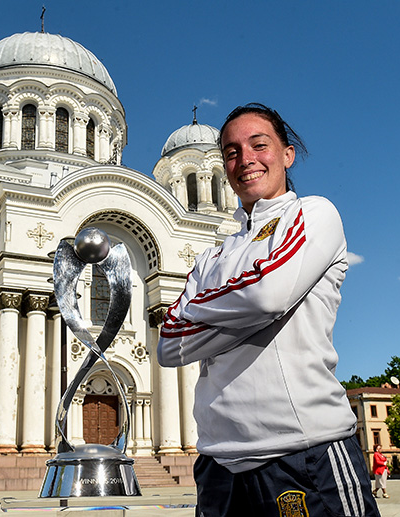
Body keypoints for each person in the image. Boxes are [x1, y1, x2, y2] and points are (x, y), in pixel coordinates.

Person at [157, 103, 380, 516]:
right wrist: (252, 309)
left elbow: (267, 295)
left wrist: (206, 315)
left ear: (287, 154)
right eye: (231, 152)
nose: (245, 159)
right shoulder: (211, 256)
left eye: (259, 145)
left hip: (304, 453)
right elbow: (169, 345)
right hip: (218, 467)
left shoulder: (312, 213)